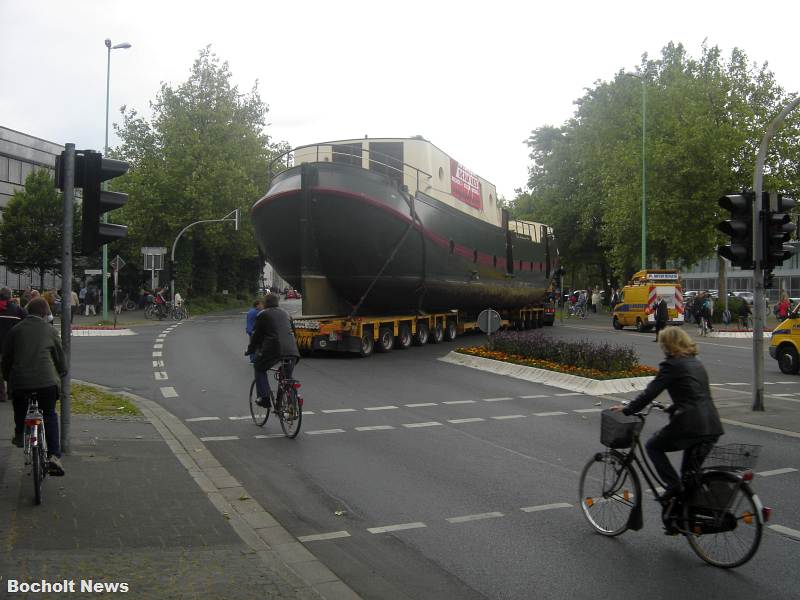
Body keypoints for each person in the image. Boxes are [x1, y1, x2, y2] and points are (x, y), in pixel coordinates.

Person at [612, 327, 723, 504]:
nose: (661, 348)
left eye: (663, 344)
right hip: (712, 425)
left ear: (668, 345)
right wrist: (672, 408)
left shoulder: (672, 365)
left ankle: (673, 487)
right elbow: (696, 394)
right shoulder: (696, 362)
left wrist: (628, 409)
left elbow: (650, 393)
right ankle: (688, 519)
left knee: (652, 446)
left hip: (690, 425)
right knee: (689, 476)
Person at [3, 298, 67, 475]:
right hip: (47, 383)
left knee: (20, 408)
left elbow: (7, 358)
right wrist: (62, 372)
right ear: (45, 313)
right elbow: (60, 359)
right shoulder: (50, 330)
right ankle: (54, 456)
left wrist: (8, 378)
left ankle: (20, 435)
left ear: (27, 311)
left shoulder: (15, 331)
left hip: (21, 382)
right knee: (49, 414)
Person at [246, 293, 300, 406]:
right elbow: (293, 332)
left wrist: (250, 350)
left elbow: (256, 336)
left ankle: (264, 398)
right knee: (287, 376)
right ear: (277, 302)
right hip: (292, 350)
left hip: (273, 350)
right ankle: (286, 402)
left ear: (265, 303)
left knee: (259, 367)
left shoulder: (262, 315)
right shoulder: (286, 313)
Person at [0, 287, 27, 403]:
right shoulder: (19, 310)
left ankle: (1, 395)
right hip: (14, 346)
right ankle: (12, 393)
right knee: (12, 369)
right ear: (11, 296)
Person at [245, 298, 264, 364]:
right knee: (257, 345)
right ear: (257, 305)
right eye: (261, 304)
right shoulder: (257, 312)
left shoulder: (250, 311)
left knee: (252, 344)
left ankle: (252, 359)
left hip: (250, 330)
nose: (262, 306)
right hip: (255, 331)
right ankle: (255, 359)